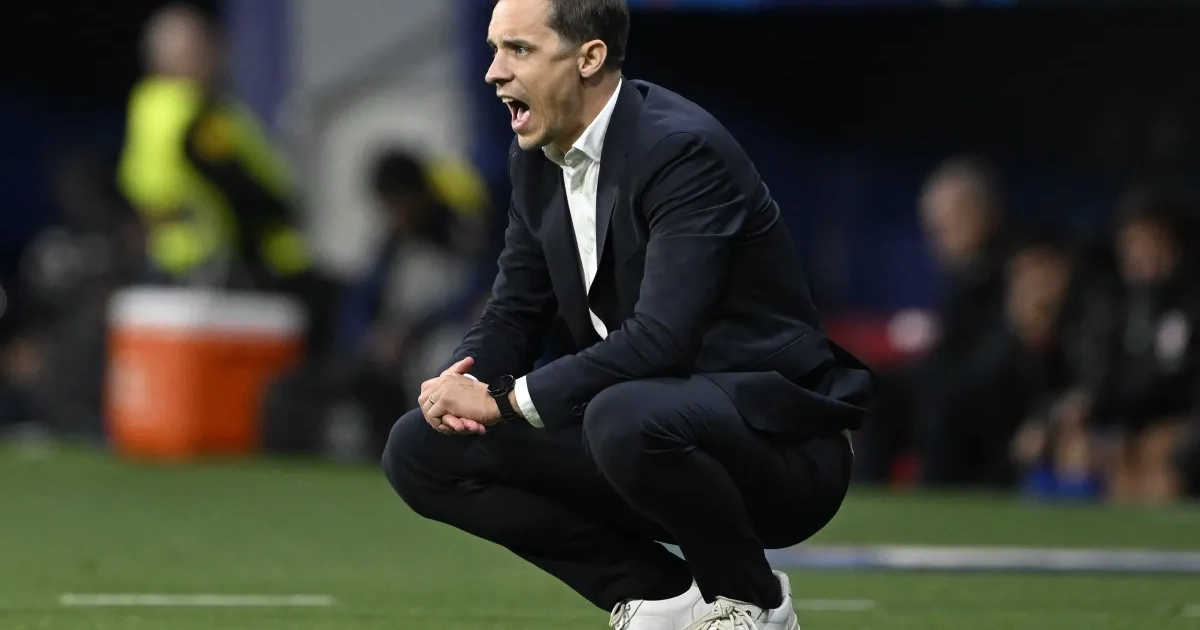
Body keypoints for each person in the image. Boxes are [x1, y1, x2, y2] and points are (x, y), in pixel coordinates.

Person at [381, 1, 872, 629]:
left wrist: (504, 402)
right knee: (421, 450)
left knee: (621, 414)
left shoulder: (680, 149)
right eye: (494, 48)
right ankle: (668, 599)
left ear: (589, 57)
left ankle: (755, 602)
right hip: (641, 428)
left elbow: (662, 339)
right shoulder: (535, 158)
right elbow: (514, 312)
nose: (494, 72)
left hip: (780, 448)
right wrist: (460, 383)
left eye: (519, 50)